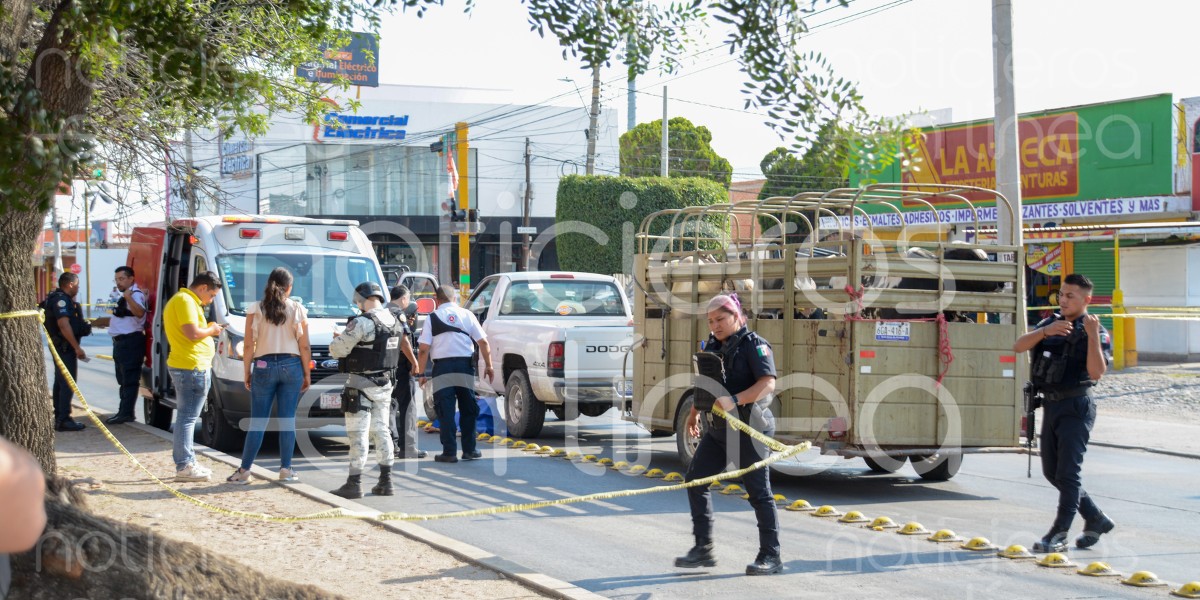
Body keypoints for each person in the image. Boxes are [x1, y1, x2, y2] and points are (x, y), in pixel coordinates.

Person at [675, 292, 782, 576]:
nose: (715, 325)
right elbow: (705, 383)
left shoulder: (754, 346)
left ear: (737, 316)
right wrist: (695, 413)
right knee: (695, 480)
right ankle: (703, 549)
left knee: (759, 494)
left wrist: (735, 400)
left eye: (720, 319)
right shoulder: (712, 344)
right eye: (710, 320)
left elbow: (768, 383)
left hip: (750, 429)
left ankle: (770, 555)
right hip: (720, 430)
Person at [1013, 273, 1112, 553]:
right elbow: (1018, 346)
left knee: (1068, 475)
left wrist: (1092, 335)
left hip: (1076, 407)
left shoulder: (1095, 330)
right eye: (1062, 294)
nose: (1064, 300)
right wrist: (1045, 331)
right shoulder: (1051, 322)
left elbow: (1097, 373)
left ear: (1086, 300)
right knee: (1052, 472)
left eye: (1071, 296)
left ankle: (1059, 533)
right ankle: (1095, 517)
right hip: (1052, 405)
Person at [226, 268, 311, 485]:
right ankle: (286, 469)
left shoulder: (255, 308)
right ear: (289, 287)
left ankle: (244, 470)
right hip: (291, 365)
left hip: (263, 365)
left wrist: (247, 371)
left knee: (258, 421)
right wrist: (307, 373)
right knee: (287, 420)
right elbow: (304, 346)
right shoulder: (297, 309)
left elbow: (247, 345)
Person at [328, 282, 403, 499]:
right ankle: (386, 481)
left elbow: (337, 350)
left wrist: (336, 339)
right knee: (382, 430)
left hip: (360, 383)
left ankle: (354, 483)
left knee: (358, 433)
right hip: (385, 383)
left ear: (361, 300)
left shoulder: (362, 322)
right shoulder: (395, 319)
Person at [416, 285, 493, 463]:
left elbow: (423, 349)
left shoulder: (432, 317)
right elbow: (483, 342)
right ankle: (469, 450)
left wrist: (421, 373)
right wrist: (489, 366)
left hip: (442, 369)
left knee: (446, 410)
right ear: (454, 299)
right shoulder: (467, 315)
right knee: (468, 408)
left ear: (437, 299)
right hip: (464, 367)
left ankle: (449, 452)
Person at [163, 272, 225, 482]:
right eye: (212, 295)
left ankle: (187, 461)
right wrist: (212, 329)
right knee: (187, 418)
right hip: (190, 367)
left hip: (189, 365)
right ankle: (185, 465)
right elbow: (192, 333)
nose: (211, 299)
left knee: (187, 417)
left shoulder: (184, 301)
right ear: (203, 287)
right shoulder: (186, 301)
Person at [43, 272, 91, 432]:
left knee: (61, 382)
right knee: (68, 382)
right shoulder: (62, 300)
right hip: (64, 346)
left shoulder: (57, 297)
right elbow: (64, 325)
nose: (78, 288)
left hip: (60, 345)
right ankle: (63, 419)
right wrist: (77, 348)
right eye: (77, 284)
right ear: (70, 284)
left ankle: (60, 417)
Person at [105, 266, 147, 425]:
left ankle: (126, 413)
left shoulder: (135, 295)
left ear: (131, 278)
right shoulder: (123, 295)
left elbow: (140, 313)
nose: (118, 282)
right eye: (116, 279)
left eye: (121, 279)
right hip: (120, 343)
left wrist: (128, 298)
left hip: (130, 342)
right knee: (122, 379)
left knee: (129, 379)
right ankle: (123, 411)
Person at [386, 285, 424, 459]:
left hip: (384, 367)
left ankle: (391, 445)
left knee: (388, 406)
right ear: (403, 299)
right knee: (408, 406)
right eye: (408, 299)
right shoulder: (398, 313)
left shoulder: (380, 312)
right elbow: (404, 341)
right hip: (401, 366)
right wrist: (414, 361)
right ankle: (408, 447)